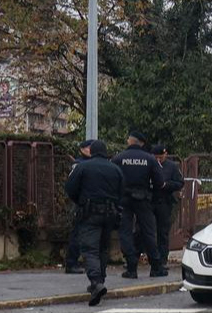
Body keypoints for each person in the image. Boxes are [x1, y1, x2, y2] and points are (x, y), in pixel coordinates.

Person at [64, 140, 123, 306]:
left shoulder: (83, 167)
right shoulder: (116, 169)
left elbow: (70, 188)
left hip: (89, 213)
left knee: (90, 249)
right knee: (103, 248)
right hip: (110, 214)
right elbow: (121, 192)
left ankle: (96, 282)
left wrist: (81, 202)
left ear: (92, 152)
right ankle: (100, 281)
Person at [111, 130, 160, 279]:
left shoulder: (118, 158)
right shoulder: (150, 159)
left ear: (130, 141)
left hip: (124, 199)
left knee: (125, 231)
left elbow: (113, 180)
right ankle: (156, 267)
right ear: (142, 143)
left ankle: (131, 267)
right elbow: (158, 182)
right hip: (143, 199)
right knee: (149, 231)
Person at [149, 145, 184, 277]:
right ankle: (150, 257)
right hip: (150, 201)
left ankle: (162, 260)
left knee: (163, 232)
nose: (159, 159)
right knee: (147, 231)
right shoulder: (149, 164)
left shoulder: (172, 167)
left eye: (161, 156)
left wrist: (166, 185)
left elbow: (180, 182)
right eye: (157, 157)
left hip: (165, 202)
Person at [64, 140, 94, 274]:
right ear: (83, 149)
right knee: (77, 233)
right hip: (81, 204)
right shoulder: (79, 164)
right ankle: (71, 263)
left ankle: (88, 262)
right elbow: (72, 186)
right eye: (89, 148)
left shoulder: (90, 163)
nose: (92, 150)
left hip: (91, 203)